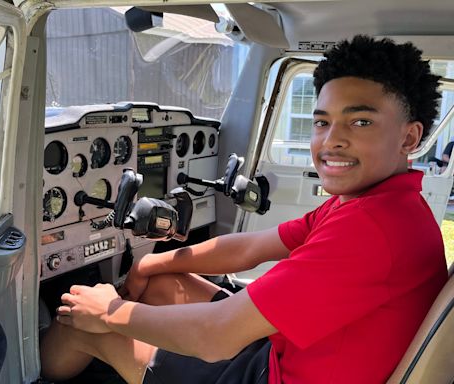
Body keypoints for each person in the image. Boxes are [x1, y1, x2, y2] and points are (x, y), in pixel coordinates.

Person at [40, 35, 448, 384]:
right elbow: (250, 247)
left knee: (75, 318)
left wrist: (108, 313)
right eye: (322, 122)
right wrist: (154, 265)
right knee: (165, 286)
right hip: (292, 355)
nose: (331, 141)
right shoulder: (378, 203)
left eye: (360, 122)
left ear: (409, 137)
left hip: (276, 375)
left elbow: (214, 337)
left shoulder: (370, 229)